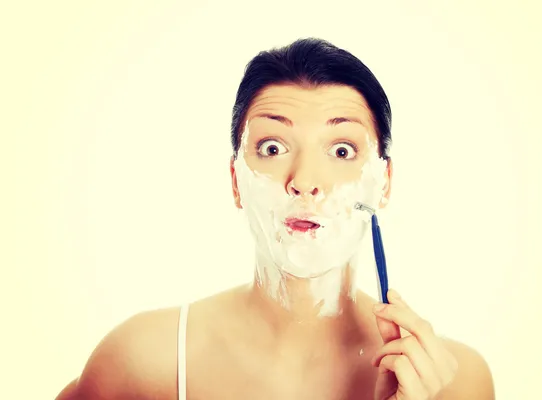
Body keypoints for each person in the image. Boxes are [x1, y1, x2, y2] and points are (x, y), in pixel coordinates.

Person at [56, 37, 495, 400]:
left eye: (341, 151)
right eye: (272, 148)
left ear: (383, 182)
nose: (305, 182)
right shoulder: (141, 363)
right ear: (235, 180)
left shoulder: (455, 384)